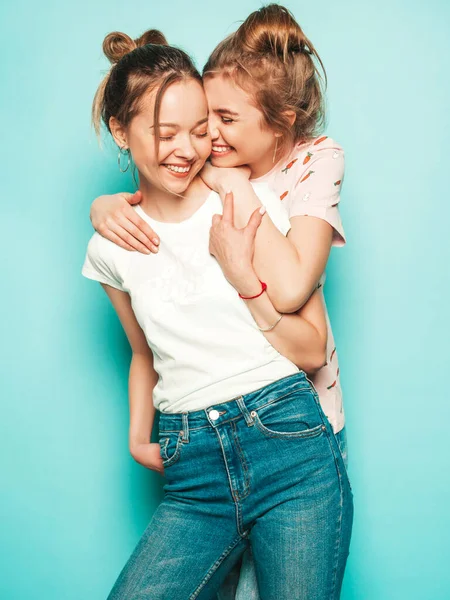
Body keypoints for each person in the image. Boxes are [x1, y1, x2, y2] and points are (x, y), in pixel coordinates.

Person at [82, 23, 353, 600]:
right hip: (193, 464)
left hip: (286, 437)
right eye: (166, 133)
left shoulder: (238, 195)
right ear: (120, 133)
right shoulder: (108, 246)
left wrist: (238, 263)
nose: (188, 148)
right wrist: (138, 437)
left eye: (201, 131)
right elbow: (140, 350)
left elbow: (310, 338)